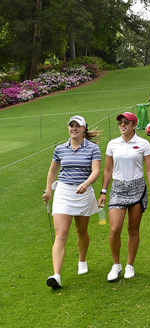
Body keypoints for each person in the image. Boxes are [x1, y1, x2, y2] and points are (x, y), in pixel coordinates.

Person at [97, 112, 150, 282]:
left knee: (133, 229)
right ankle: (116, 265)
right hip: (117, 189)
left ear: (133, 125)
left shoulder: (144, 144)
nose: (122, 125)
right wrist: (103, 191)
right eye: (120, 123)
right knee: (114, 228)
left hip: (137, 188)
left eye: (126, 122)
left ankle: (130, 264)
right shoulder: (112, 144)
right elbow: (108, 170)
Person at [42, 115, 101, 289]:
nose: (74, 128)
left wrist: (86, 183)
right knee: (61, 234)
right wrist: (48, 190)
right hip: (64, 192)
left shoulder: (93, 148)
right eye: (71, 125)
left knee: (81, 230)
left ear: (84, 129)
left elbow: (96, 171)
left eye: (77, 126)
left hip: (83, 192)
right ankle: (56, 275)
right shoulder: (60, 149)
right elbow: (52, 171)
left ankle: (82, 260)